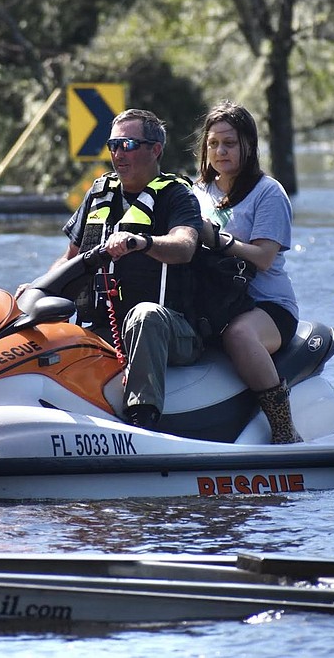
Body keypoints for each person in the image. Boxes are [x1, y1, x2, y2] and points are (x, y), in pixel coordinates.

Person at [31, 108, 203, 429]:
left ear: (155, 150)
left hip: (171, 330)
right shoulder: (99, 192)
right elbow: (69, 256)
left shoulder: (178, 196)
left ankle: (142, 420)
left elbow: (185, 246)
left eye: (127, 144)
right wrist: (34, 292)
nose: (117, 154)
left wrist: (143, 243)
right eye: (112, 145)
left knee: (145, 316)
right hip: (103, 327)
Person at [192, 100, 301, 444]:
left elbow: (264, 258)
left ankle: (283, 428)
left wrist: (219, 240)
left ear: (248, 146)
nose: (220, 151)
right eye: (213, 144)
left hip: (266, 308)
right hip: (213, 304)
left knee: (238, 336)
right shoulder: (196, 193)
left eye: (230, 143)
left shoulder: (268, 193)